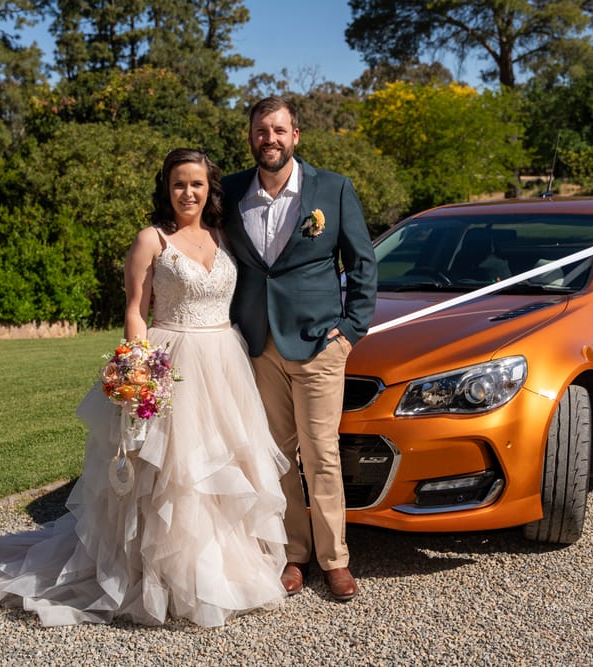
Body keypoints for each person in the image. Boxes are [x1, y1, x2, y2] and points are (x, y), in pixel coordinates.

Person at [0, 148, 290, 628]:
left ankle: (220, 570)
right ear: (166, 187)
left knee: (221, 468)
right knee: (171, 475)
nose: (188, 192)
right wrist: (139, 371)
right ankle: (159, 575)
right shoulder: (151, 239)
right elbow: (136, 310)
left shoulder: (224, 236)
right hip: (171, 361)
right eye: (179, 183)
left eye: (197, 184)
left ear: (210, 189)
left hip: (224, 362)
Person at [221, 97, 378, 601]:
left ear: (296, 136)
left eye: (279, 130)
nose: (270, 138)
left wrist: (352, 328)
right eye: (261, 130)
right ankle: (295, 555)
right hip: (257, 345)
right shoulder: (228, 192)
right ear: (251, 137)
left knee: (322, 456)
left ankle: (335, 560)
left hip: (317, 345)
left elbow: (363, 262)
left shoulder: (331, 189)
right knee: (277, 458)